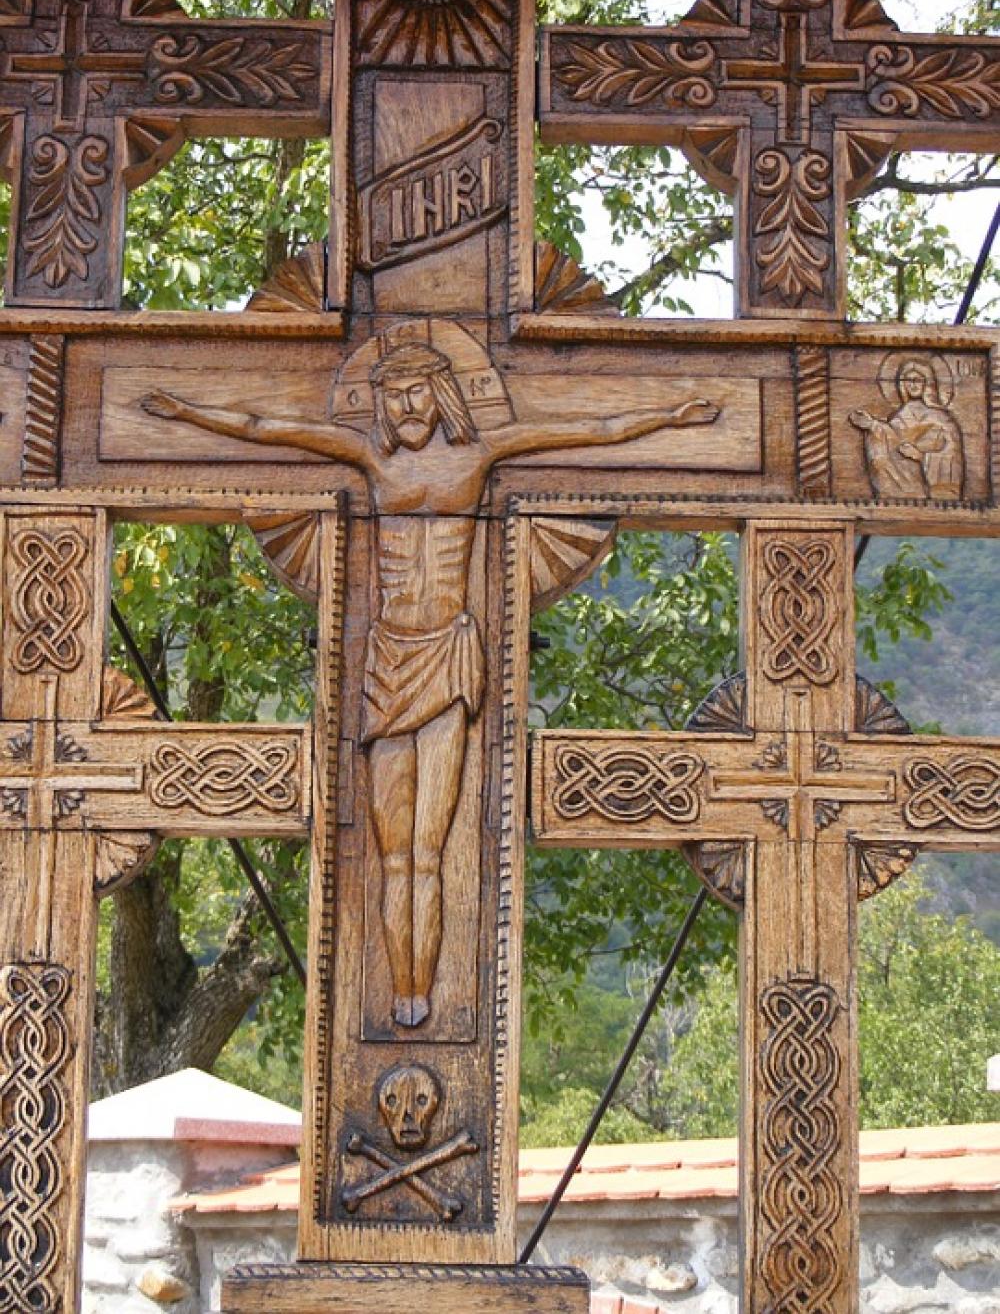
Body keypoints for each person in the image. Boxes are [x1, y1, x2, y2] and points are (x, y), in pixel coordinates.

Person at [143, 336, 719, 1027]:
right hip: (388, 660)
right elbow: (267, 427)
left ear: (443, 393)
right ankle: (401, 991)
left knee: (430, 851)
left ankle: (423, 989)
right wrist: (185, 412)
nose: (406, 408)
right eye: (392, 396)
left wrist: (670, 416)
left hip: (448, 654)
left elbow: (589, 429)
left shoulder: (479, 456)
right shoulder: (371, 458)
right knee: (393, 855)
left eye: (417, 392)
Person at [849, 359, 964, 501]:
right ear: (902, 384)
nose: (913, 385)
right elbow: (891, 441)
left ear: (927, 383)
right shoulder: (899, 417)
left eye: (917, 380)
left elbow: (953, 455)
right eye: (908, 380)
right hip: (904, 485)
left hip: (929, 486)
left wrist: (921, 456)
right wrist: (872, 425)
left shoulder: (942, 418)